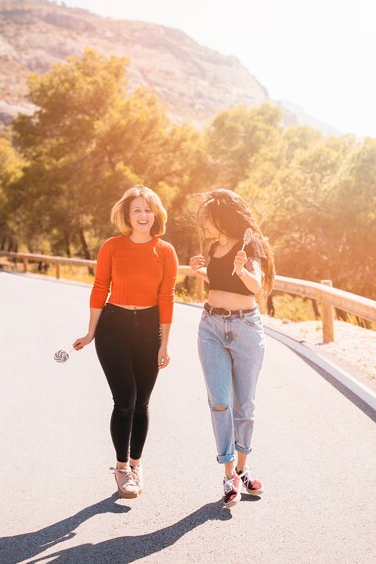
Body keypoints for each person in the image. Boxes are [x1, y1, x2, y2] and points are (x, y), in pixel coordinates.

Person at [73, 185, 179, 498]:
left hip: (149, 328)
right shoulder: (112, 246)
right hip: (114, 327)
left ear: (155, 214)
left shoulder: (166, 251)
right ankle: (121, 468)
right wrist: (90, 331)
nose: (143, 215)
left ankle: (136, 464)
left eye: (148, 210)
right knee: (126, 400)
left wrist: (164, 343)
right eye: (137, 210)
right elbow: (99, 288)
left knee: (142, 403)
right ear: (128, 215)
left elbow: (167, 297)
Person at [190, 189, 275, 509]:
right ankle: (228, 475)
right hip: (211, 326)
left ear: (222, 217)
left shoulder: (250, 244)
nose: (204, 226)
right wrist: (200, 269)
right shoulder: (214, 247)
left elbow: (255, 285)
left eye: (207, 220)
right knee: (220, 402)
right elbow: (219, 281)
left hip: (245, 329)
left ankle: (243, 468)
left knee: (245, 405)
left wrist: (242, 269)